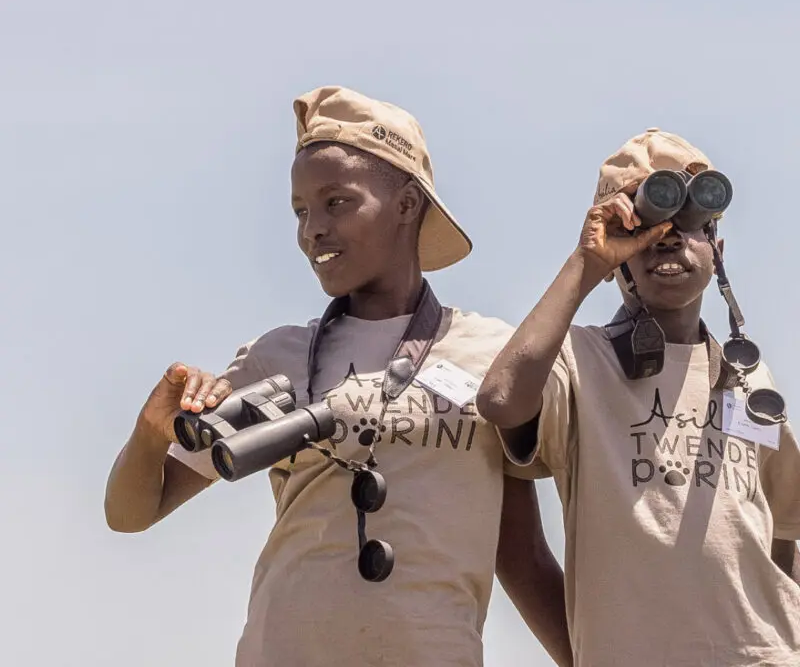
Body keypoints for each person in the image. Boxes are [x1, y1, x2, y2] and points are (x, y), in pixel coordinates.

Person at [104, 86, 572, 667]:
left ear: (407, 204)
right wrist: (152, 431)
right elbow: (129, 515)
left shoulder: (490, 357)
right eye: (301, 211)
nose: (312, 230)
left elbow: (522, 554)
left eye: (336, 203)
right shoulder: (278, 356)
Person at [477, 129, 800, 667]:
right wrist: (586, 264)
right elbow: (502, 399)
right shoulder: (579, 363)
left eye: (691, 224)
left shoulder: (748, 377)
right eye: (645, 228)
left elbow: (784, 530)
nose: (669, 240)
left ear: (717, 251)